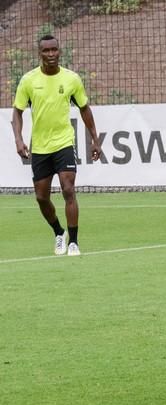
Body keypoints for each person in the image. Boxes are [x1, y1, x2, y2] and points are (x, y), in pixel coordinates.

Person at [11, 34, 102, 256]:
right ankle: (58, 232)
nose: (51, 54)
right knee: (42, 197)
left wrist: (94, 139)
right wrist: (19, 139)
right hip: (40, 147)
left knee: (68, 189)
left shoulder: (71, 79)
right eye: (46, 51)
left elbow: (84, 108)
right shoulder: (28, 80)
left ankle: (74, 242)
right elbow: (17, 112)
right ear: (39, 53)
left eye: (54, 50)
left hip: (64, 143)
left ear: (59, 51)